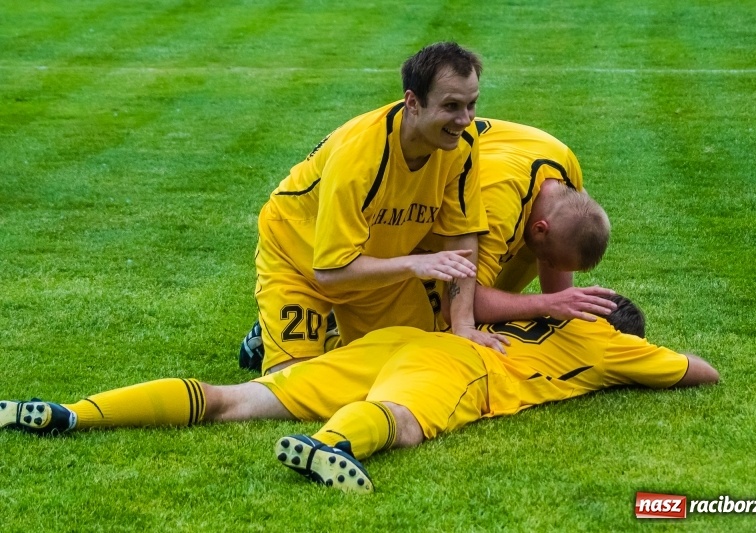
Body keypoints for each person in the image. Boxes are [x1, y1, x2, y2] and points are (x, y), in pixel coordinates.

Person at [2, 295, 719, 494]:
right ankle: (330, 445)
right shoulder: (608, 341)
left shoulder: (526, 305)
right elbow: (700, 369)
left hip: (398, 339)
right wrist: (625, 351)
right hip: (453, 366)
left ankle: (73, 412)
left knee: (234, 397)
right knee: (404, 420)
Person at [239, 41, 508, 375]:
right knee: (294, 385)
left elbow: (462, 235)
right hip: (300, 259)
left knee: (411, 364)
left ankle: (332, 332)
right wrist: (414, 264)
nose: (465, 119)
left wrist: (464, 324)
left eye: (472, 104)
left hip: (376, 266)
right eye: (452, 106)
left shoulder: (462, 144)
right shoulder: (358, 157)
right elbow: (329, 272)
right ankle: (279, 337)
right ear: (413, 102)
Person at [419, 117, 618, 327]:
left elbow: (558, 292)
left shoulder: (566, 166)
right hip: (403, 205)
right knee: (427, 326)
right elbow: (458, 307)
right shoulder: (496, 215)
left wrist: (564, 301)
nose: (552, 266)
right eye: (550, 261)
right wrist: (547, 304)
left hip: (474, 165)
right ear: (540, 228)